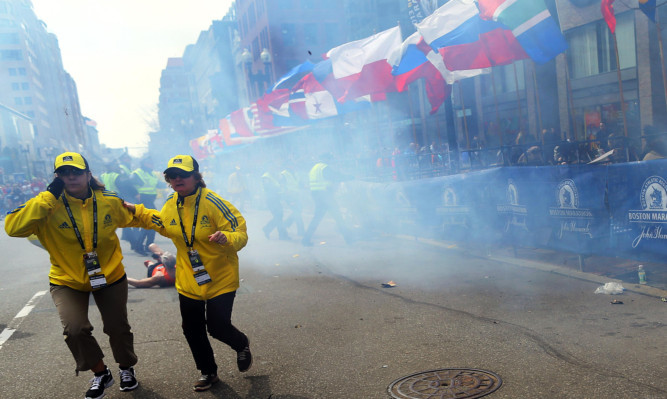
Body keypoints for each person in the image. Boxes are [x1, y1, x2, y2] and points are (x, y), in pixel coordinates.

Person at [4, 152, 139, 399]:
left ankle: (126, 368)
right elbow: (12, 228)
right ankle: (101, 373)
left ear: (88, 174)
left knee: (117, 327)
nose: (71, 176)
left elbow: (136, 215)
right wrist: (48, 196)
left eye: (76, 171)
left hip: (109, 275)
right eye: (64, 173)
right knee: (75, 330)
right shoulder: (46, 203)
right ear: (57, 178)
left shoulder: (108, 200)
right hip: (66, 279)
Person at [129, 155, 252, 392]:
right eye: (172, 176)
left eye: (183, 175)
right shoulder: (171, 202)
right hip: (188, 277)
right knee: (192, 328)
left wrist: (228, 237)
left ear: (196, 177)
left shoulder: (214, 202)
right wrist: (136, 211)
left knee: (217, 327)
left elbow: (240, 233)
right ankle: (208, 372)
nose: (177, 179)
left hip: (220, 277)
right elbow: (162, 223)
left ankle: (241, 344)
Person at [301, 153, 354, 246]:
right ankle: (349, 239)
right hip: (325, 195)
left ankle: (306, 239)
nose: (331, 161)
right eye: (330, 159)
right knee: (338, 217)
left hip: (316, 195)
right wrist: (351, 177)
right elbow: (336, 176)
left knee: (317, 218)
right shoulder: (324, 167)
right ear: (326, 159)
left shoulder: (314, 168)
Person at [130, 157, 160, 255]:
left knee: (153, 223)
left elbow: (158, 184)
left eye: (152, 163)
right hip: (142, 200)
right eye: (149, 163)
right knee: (148, 224)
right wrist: (135, 194)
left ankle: (149, 245)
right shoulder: (137, 173)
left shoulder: (152, 174)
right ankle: (139, 247)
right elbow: (129, 184)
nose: (152, 165)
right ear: (144, 163)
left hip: (150, 200)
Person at [261, 169, 289, 240]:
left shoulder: (273, 176)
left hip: (275, 199)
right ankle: (281, 235)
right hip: (271, 200)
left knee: (279, 216)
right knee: (279, 216)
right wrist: (277, 189)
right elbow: (268, 188)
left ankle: (269, 229)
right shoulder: (266, 177)